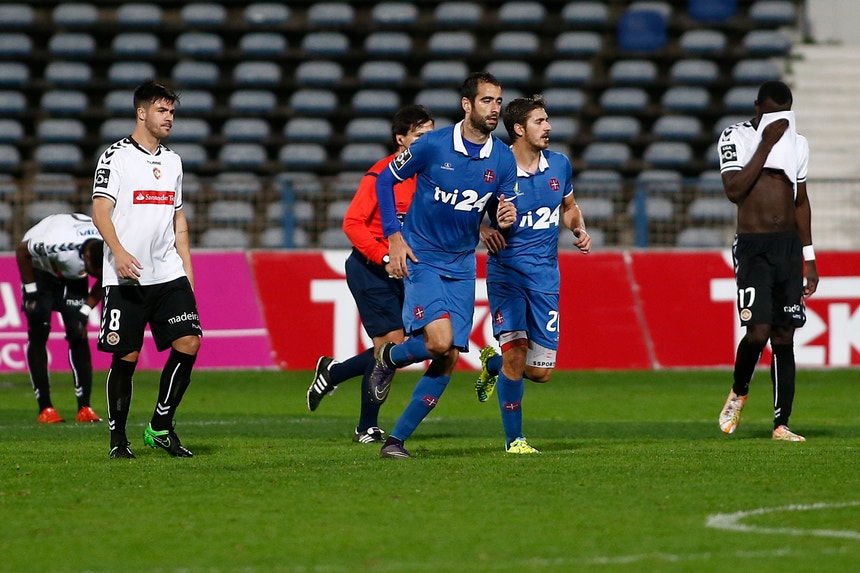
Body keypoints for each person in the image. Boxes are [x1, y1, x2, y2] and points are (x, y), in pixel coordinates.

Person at [369, 72, 519, 459]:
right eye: (487, 101)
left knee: (449, 355)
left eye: (499, 102)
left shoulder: (502, 157)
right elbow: (385, 180)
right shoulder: (433, 145)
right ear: (467, 105)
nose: (494, 109)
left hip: (462, 263)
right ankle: (389, 356)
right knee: (438, 341)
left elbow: (493, 203)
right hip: (422, 256)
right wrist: (394, 236)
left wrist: (499, 220)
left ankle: (395, 441)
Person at [306, 105, 435, 444]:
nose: (428, 142)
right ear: (401, 140)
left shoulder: (432, 177)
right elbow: (351, 223)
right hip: (371, 268)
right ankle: (367, 426)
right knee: (390, 346)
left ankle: (334, 372)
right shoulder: (382, 175)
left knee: (407, 347)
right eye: (420, 136)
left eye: (432, 135)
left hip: (407, 270)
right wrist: (382, 256)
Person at [92, 79, 203, 459]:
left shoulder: (173, 161)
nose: (169, 117)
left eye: (172, 111)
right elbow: (100, 210)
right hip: (126, 274)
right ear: (142, 113)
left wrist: (187, 266)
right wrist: (119, 253)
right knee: (127, 356)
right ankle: (118, 439)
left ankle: (160, 425)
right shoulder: (116, 157)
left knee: (189, 340)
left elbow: (178, 219)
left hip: (167, 271)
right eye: (162, 110)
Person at [474, 95, 591, 454]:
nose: (549, 127)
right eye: (540, 121)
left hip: (545, 279)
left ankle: (491, 365)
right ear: (519, 129)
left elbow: (569, 207)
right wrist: (483, 231)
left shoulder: (559, 165)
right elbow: (465, 209)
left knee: (540, 372)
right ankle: (515, 441)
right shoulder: (494, 167)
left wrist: (577, 227)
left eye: (547, 120)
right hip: (507, 274)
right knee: (516, 355)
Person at [716, 80, 818, 442]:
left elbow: (800, 201)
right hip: (754, 246)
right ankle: (739, 389)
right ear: (757, 107)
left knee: (784, 335)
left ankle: (781, 423)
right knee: (757, 332)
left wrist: (809, 256)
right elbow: (734, 190)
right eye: (772, 111)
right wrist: (766, 143)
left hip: (788, 247)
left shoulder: (799, 144)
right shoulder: (735, 137)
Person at [16, 213, 105, 424]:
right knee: (39, 330)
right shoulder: (58, 244)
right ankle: (45, 408)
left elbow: (104, 280)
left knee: (78, 333)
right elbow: (21, 252)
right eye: (94, 272)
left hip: (72, 278)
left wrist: (85, 312)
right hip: (40, 271)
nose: (95, 276)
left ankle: (85, 407)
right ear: (88, 259)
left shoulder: (109, 246)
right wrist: (30, 292)